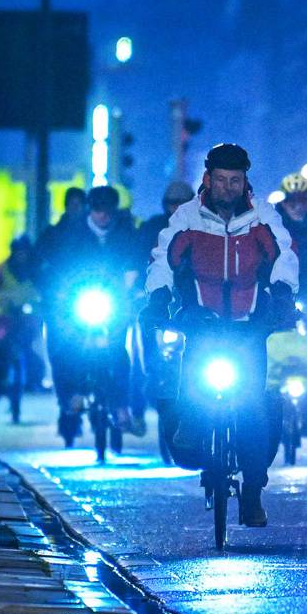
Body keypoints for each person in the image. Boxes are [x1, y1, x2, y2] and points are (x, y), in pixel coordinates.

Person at [142, 143, 298, 527]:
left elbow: (285, 258)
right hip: (202, 323)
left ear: (245, 181)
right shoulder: (187, 217)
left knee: (253, 410)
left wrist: (281, 295)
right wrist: (159, 298)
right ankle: (192, 437)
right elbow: (163, 260)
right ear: (208, 179)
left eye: (236, 181)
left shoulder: (262, 217)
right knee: (192, 393)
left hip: (249, 328)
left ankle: (253, 493)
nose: (228, 188)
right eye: (222, 180)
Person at [43, 185, 142, 443]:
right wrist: (61, 294)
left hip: (114, 302)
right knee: (68, 348)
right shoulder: (73, 233)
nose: (103, 217)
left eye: (108, 211)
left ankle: (121, 406)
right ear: (90, 210)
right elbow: (62, 268)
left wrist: (132, 289)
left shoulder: (125, 232)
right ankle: (73, 394)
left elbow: (134, 263)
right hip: (80, 300)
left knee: (119, 352)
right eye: (98, 211)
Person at [131, 181, 196, 434]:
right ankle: (138, 407)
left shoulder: (201, 227)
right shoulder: (152, 229)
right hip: (158, 304)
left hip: (191, 305)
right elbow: (137, 260)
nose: (177, 208)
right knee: (141, 359)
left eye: (182, 203)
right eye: (172, 204)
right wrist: (138, 289)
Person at [0, 236, 43, 400]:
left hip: (27, 320)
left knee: (31, 354)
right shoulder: (4, 269)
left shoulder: (36, 271)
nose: (21, 256)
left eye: (24, 252)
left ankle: (34, 382)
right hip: (5, 320)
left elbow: (44, 291)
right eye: (19, 252)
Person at [275, 173, 307, 304]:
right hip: (281, 296)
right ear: (284, 203)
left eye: (303, 201)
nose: (298, 207)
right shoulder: (270, 226)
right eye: (292, 202)